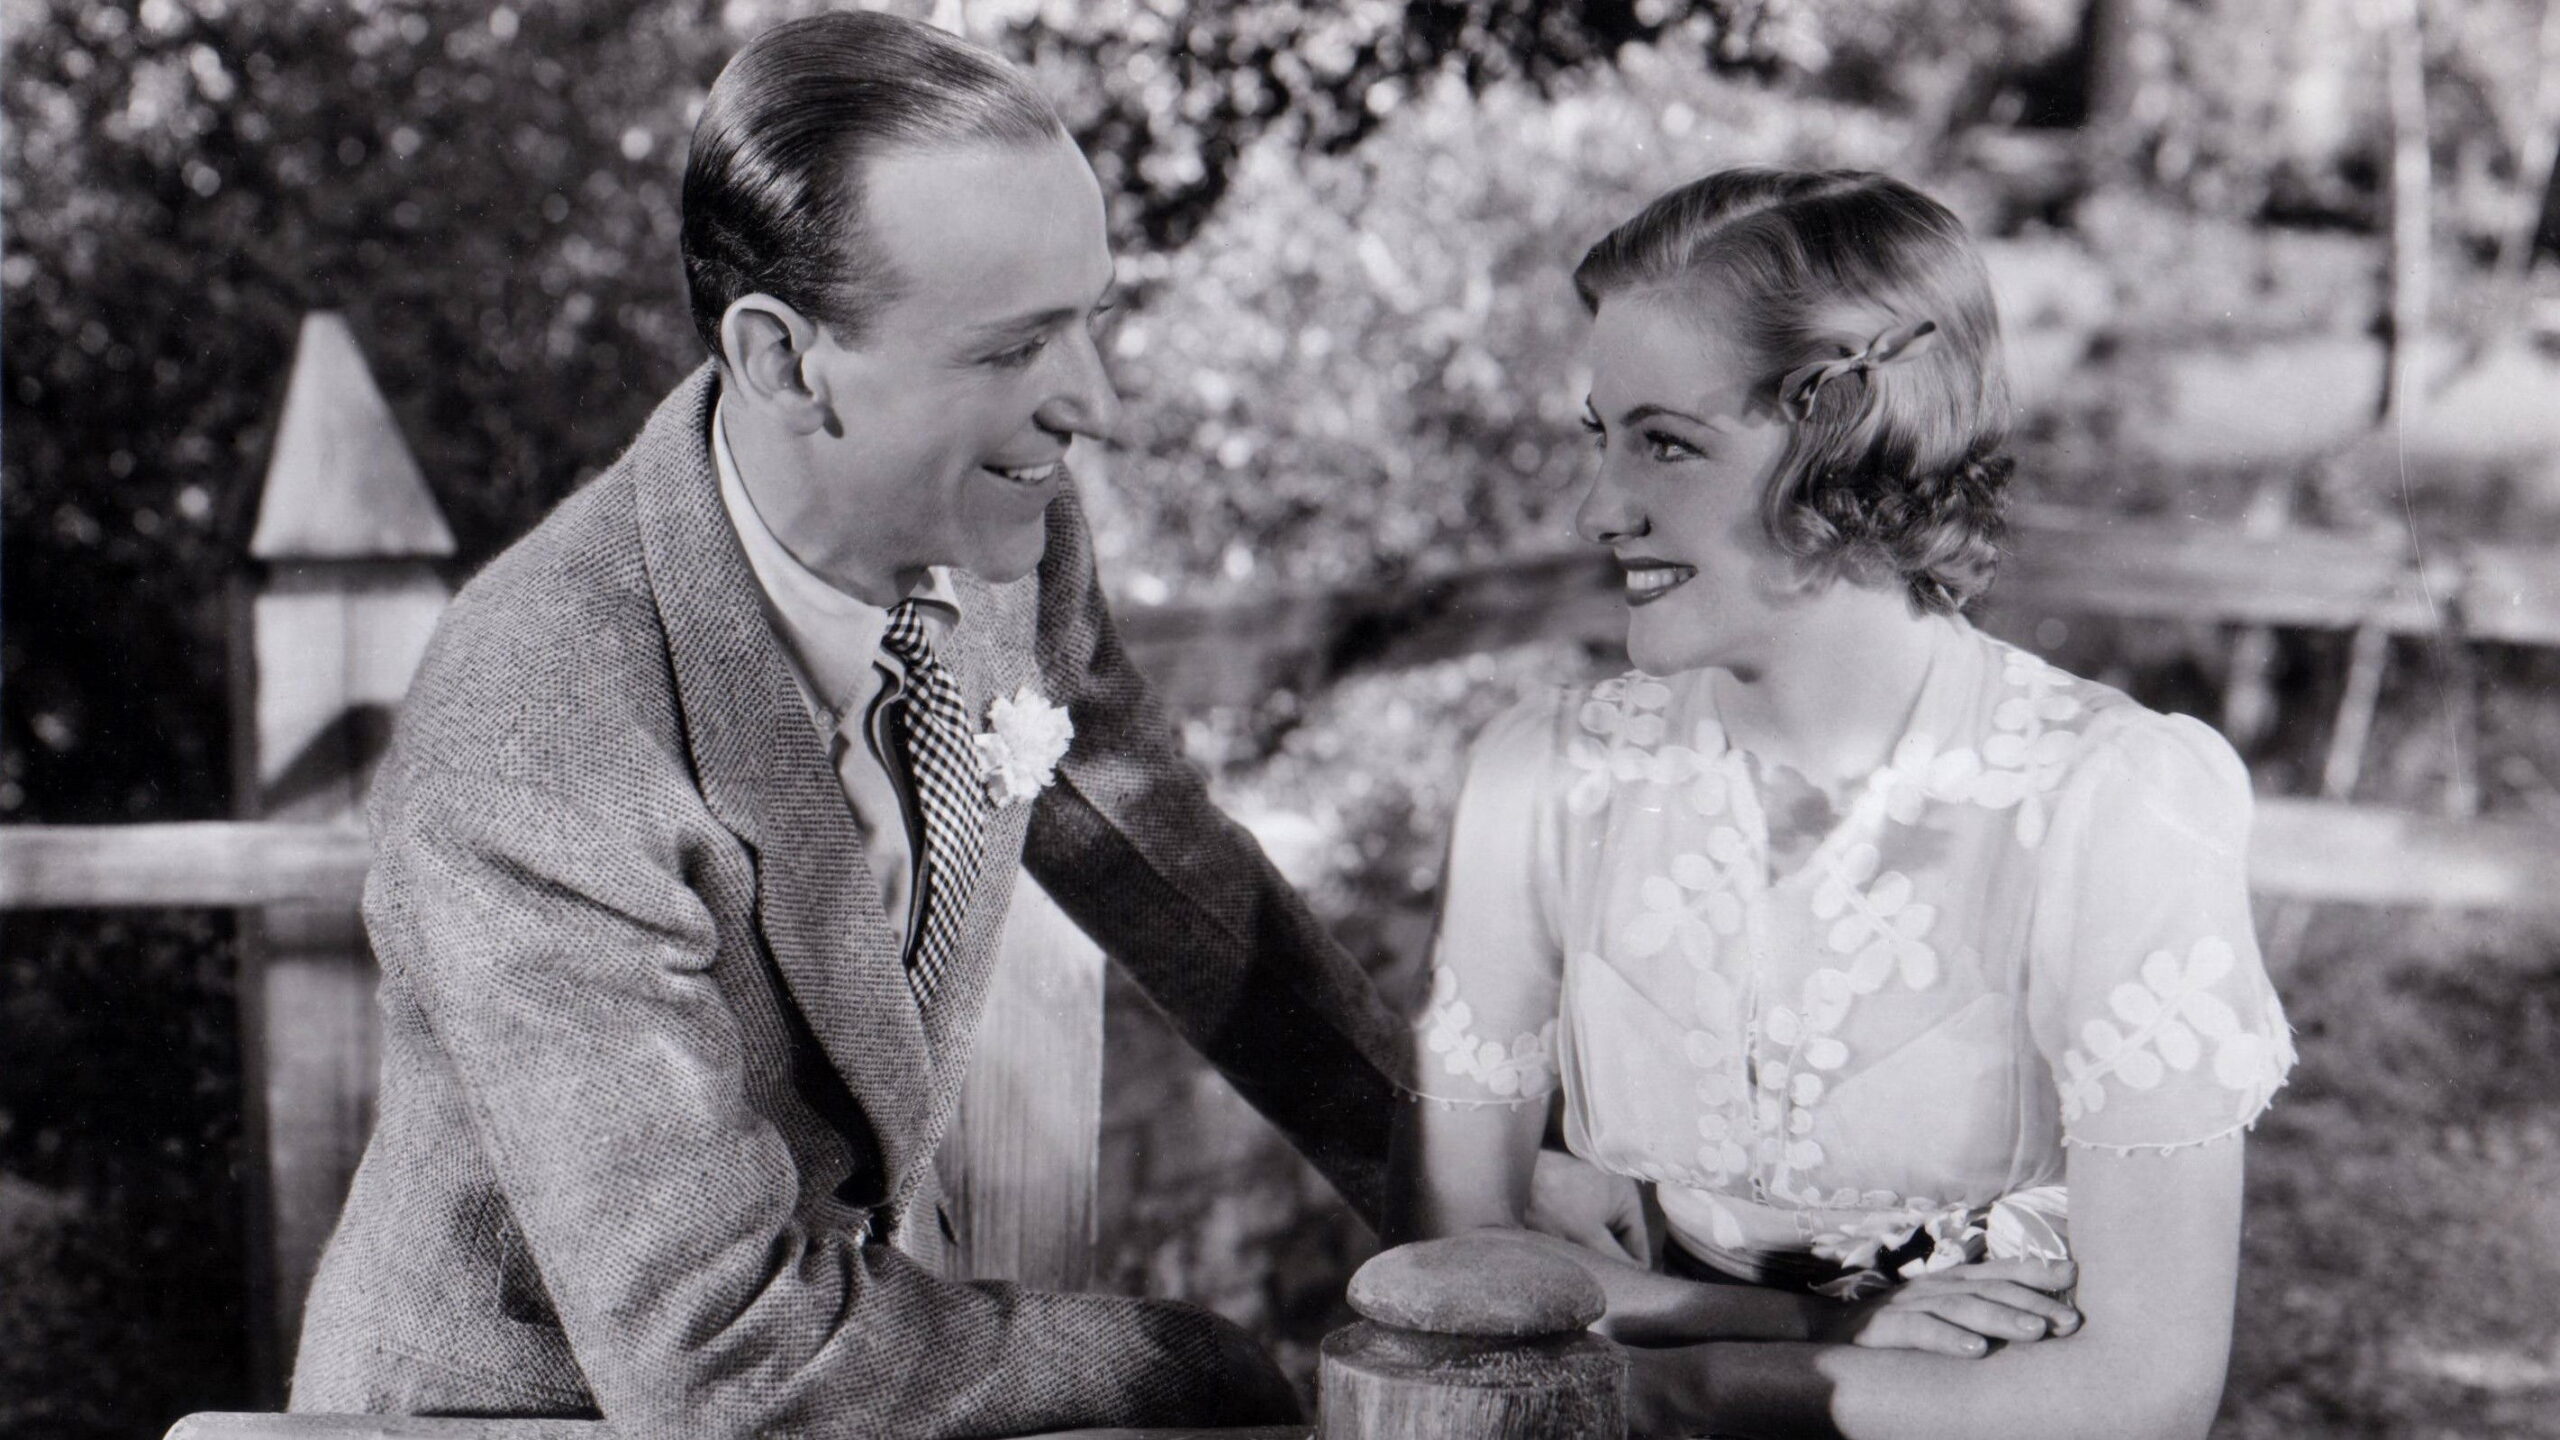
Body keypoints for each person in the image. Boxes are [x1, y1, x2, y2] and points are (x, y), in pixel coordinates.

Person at [290, 13, 1410, 1437]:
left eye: (1092, 319)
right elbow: (725, 1359)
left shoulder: (1004, 535)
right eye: (1014, 348)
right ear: (782, 359)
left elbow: (1163, 862)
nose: (1099, 406)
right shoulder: (543, 714)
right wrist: (1193, 1364)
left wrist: (1446, 1177)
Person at [1388, 168, 2297, 1439]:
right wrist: (1799, 1331)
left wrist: (1674, 1376)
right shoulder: (1544, 780)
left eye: (1666, 443)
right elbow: (1456, 1274)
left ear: (1846, 442)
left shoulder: (2107, 799)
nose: (1599, 509)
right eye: (1602, 436)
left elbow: (2140, 1394)